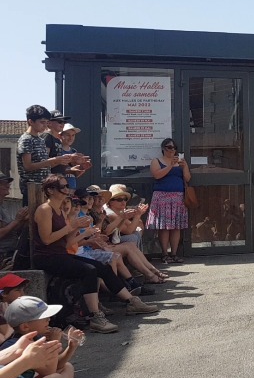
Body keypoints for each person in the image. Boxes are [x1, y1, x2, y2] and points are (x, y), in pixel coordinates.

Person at [31, 175, 159, 334]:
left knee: (101, 267)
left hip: (61, 254)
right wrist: (72, 226)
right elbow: (46, 239)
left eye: (66, 186)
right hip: (47, 257)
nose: (66, 190)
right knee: (89, 270)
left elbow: (68, 241)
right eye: (62, 187)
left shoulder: (61, 211)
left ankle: (132, 301)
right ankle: (95, 317)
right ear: (50, 190)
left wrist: (77, 228)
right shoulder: (45, 209)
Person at [1, 297, 81, 378]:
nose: (48, 319)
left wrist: (71, 347)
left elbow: (58, 365)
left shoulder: (36, 338)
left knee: (67, 367)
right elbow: (49, 371)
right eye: (43, 317)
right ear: (25, 327)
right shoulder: (17, 344)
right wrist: (54, 343)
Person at [17, 106, 73, 206]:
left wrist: (59, 161)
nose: (45, 125)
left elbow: (44, 164)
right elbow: (27, 166)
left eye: (46, 122)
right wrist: (53, 160)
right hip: (31, 188)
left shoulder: (40, 139)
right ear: (31, 122)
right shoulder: (26, 139)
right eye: (42, 122)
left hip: (43, 187)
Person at [146, 139, 190, 264]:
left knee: (176, 226)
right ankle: (165, 254)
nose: (172, 149)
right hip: (162, 196)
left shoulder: (181, 162)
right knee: (164, 227)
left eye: (174, 147)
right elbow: (157, 175)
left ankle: (174, 254)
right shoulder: (156, 161)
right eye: (169, 147)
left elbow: (187, 178)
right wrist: (170, 165)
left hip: (178, 197)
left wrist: (184, 167)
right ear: (163, 148)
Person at [0, 172, 29, 271]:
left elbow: (12, 231)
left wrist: (22, 221)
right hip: (3, 254)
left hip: (11, 250)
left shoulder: (3, 206)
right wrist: (17, 220)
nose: (7, 186)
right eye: (3, 184)